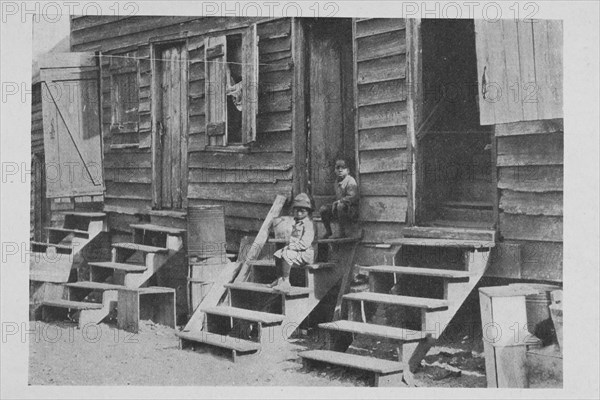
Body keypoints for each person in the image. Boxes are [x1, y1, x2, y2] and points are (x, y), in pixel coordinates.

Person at [270, 193, 316, 293]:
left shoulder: (308, 225)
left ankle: (286, 282)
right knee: (278, 253)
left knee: (287, 254)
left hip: (306, 254)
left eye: (302, 211)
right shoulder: (297, 223)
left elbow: (305, 244)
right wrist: (289, 246)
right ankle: (280, 280)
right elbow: (294, 239)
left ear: (308, 212)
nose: (299, 213)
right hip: (297, 251)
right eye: (296, 210)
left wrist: (291, 247)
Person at [319, 159, 359, 238]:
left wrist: (339, 201)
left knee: (340, 206)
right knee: (323, 209)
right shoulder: (336, 182)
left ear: (348, 170)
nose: (340, 170)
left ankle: (342, 233)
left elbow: (353, 197)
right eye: (338, 168)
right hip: (340, 208)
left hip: (351, 209)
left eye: (343, 168)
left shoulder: (351, 181)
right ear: (335, 170)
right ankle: (328, 231)